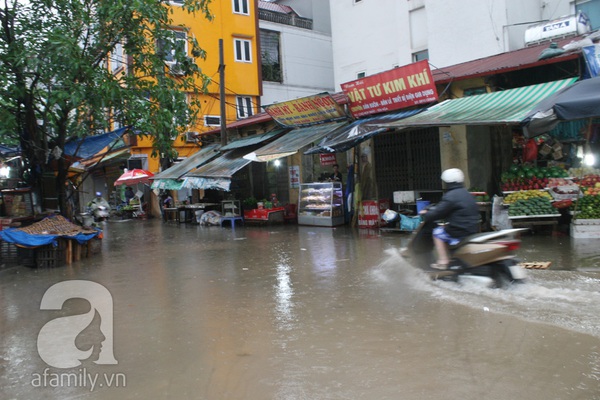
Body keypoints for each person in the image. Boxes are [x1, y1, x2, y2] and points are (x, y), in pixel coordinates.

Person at [419, 168, 480, 270]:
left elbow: (439, 212)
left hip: (459, 229)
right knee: (444, 229)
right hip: (471, 228)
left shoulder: (451, 196)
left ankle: (443, 261)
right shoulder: (467, 194)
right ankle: (452, 258)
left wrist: (428, 214)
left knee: (437, 232)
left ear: (448, 182)